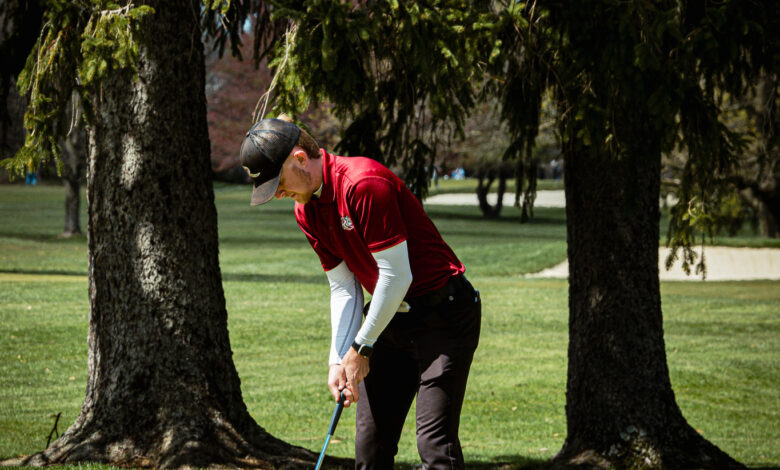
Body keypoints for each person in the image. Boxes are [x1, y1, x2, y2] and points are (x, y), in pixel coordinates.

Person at [240, 117, 481, 469]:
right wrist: (338, 358)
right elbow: (343, 286)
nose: (277, 193)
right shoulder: (305, 211)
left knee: (434, 445)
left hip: (444, 316)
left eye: (278, 182)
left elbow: (396, 277)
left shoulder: (362, 183)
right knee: (370, 449)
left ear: (300, 159)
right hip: (389, 322)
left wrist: (361, 346)